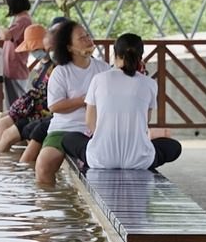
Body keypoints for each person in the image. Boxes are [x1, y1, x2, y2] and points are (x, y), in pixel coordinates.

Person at [61, 33, 182, 172]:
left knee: (69, 138)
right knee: (174, 146)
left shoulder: (99, 79)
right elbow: (145, 121)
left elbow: (90, 121)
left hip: (100, 159)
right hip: (138, 160)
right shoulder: (149, 84)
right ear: (141, 57)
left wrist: (103, 138)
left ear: (115, 53)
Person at [34, 20, 110, 185]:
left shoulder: (104, 69)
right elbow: (55, 106)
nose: (88, 40)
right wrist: (85, 99)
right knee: (43, 166)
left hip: (94, 130)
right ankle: (48, 205)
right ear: (69, 47)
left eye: (87, 36)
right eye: (81, 38)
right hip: (64, 128)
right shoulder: (61, 72)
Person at [0, 22, 53, 153]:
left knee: (6, 132)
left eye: (36, 48)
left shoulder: (55, 67)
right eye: (33, 49)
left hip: (43, 113)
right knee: (0, 123)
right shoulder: (44, 65)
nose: (34, 52)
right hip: (35, 110)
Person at [0, 0, 32, 107]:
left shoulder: (24, 20)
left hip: (16, 70)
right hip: (11, 69)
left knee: (17, 106)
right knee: (13, 105)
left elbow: (6, 35)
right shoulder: (19, 19)